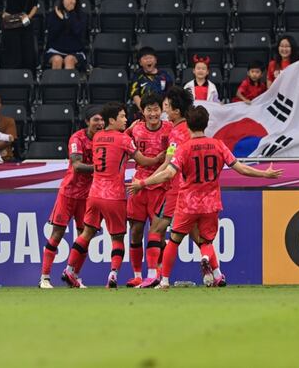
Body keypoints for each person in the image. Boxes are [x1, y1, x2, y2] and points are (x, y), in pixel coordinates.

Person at [127, 106, 282, 289]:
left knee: (174, 240)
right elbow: (241, 168)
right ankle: (209, 262)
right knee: (206, 241)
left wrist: (143, 183)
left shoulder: (184, 148)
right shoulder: (218, 145)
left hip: (188, 204)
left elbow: (168, 174)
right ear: (206, 124)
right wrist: (265, 174)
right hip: (211, 203)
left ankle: (165, 281)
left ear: (188, 125)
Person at [61, 102, 164, 288]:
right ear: (111, 120)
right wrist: (158, 158)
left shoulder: (98, 136)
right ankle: (113, 274)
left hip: (94, 194)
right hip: (114, 196)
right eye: (122, 117)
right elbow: (142, 161)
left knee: (86, 233)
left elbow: (112, 143)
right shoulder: (123, 140)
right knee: (117, 238)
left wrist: (128, 132)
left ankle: (69, 269)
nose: (126, 120)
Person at [135, 86, 201, 288]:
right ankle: (215, 273)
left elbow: (168, 164)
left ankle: (154, 276)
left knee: (156, 229)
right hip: (194, 188)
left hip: (177, 188)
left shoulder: (175, 133)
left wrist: (145, 181)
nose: (164, 111)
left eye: (166, 107)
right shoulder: (191, 129)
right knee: (196, 234)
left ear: (176, 111)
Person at [39, 106, 104, 289]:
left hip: (88, 196)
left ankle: (73, 276)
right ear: (87, 121)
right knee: (57, 234)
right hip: (69, 193)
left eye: (102, 120)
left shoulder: (104, 139)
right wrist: (100, 168)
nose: (100, 123)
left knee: (85, 237)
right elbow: (76, 165)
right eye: (96, 120)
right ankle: (44, 278)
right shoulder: (77, 138)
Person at [123, 94, 172, 287]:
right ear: (142, 112)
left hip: (161, 186)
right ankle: (137, 275)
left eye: (156, 109)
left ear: (162, 110)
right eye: (149, 110)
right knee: (135, 231)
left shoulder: (170, 129)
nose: (153, 113)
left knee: (157, 233)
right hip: (138, 186)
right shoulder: (135, 129)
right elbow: (120, 141)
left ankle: (157, 273)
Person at [45, 0, 88, 70]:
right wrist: (61, 20)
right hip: (56, 50)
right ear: (62, 0)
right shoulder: (54, 14)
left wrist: (69, 15)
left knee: (69, 60)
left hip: (75, 51)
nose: (70, 1)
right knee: (57, 59)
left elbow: (77, 31)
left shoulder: (82, 16)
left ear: (76, 1)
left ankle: (68, 79)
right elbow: (53, 34)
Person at [129, 47, 174, 113]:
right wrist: (144, 110)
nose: (148, 60)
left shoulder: (164, 75)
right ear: (140, 62)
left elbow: (170, 92)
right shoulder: (137, 76)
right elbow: (135, 95)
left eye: (150, 58)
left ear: (156, 60)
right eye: (145, 58)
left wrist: (162, 108)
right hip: (143, 110)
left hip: (162, 109)